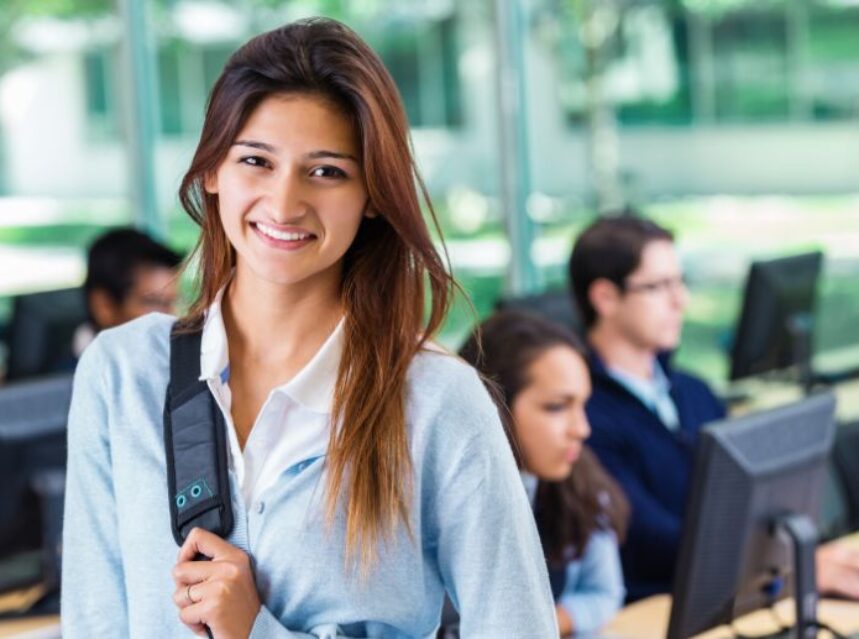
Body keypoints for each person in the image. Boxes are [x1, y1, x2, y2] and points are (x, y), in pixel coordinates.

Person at [61, 18, 557, 639]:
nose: (285, 203)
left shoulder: (437, 401)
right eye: (256, 161)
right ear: (212, 171)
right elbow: (95, 620)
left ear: (372, 193)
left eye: (326, 171)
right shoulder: (120, 373)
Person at [568, 213, 859, 602]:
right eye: (659, 286)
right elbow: (651, 540)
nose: (680, 300)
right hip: (657, 609)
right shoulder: (582, 415)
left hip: (736, 594)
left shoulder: (693, 392)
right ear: (605, 297)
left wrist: (800, 555)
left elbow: (750, 501)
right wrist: (791, 561)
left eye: (680, 281)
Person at [460, 310, 629, 636]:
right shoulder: (449, 502)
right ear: (494, 406)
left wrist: (543, 623)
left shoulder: (579, 479)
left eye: (582, 405)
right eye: (556, 407)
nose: (581, 429)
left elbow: (603, 593)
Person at [74, 227, 182, 357]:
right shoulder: (72, 375)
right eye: (154, 302)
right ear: (104, 306)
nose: (172, 317)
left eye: (172, 302)